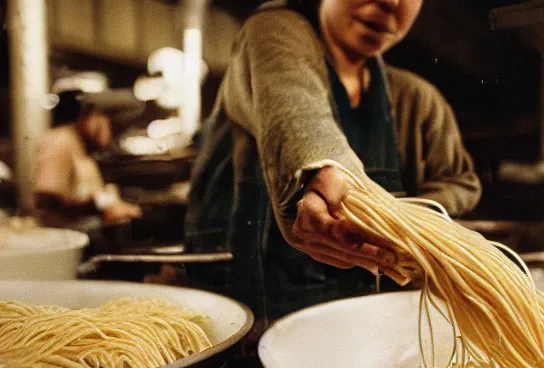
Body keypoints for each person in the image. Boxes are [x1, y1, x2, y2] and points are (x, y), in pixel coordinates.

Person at [187, 0, 481, 336]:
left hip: (371, 335)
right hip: (249, 330)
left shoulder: (418, 99)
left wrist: (408, 219)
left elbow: (460, 181)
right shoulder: (271, 33)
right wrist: (322, 170)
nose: (390, 2)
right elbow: (295, 107)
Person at [34, 95, 142, 226]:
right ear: (94, 118)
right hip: (64, 233)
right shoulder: (60, 140)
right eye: (111, 127)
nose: (109, 139)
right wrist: (99, 207)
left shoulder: (79, 145)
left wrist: (112, 205)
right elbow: (47, 195)